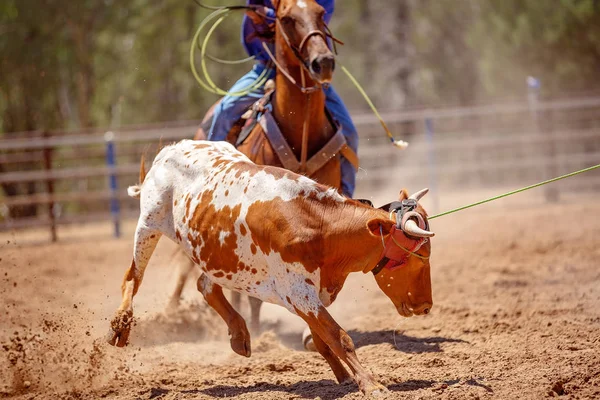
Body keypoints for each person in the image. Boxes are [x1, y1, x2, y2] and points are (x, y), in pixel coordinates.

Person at [206, 0, 358, 197]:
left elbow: (321, 9)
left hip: (309, 67)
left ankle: (346, 197)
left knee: (350, 134)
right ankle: (210, 183)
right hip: (268, 65)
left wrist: (269, 14)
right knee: (224, 111)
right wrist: (264, 14)